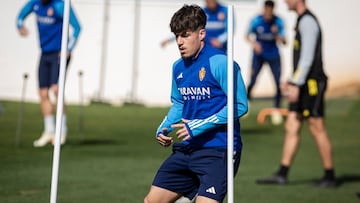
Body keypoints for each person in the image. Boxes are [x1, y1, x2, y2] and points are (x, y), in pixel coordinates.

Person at [144, 4, 248, 203]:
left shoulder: (221, 63)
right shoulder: (178, 67)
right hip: (187, 149)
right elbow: (179, 103)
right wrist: (163, 128)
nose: (179, 42)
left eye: (185, 35)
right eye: (176, 36)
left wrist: (197, 126)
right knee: (151, 201)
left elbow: (240, 105)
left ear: (201, 34)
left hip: (218, 150)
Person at [256, 0, 336, 188]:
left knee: (317, 127)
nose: (285, 1)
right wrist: (292, 80)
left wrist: (296, 84)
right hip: (302, 83)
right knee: (292, 124)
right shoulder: (301, 20)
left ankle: (330, 175)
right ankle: (282, 173)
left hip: (312, 84)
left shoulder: (308, 21)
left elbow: (307, 58)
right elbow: (302, 60)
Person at [16, 0, 81, 147]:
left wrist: (68, 48)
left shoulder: (60, 6)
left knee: (56, 89)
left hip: (59, 53)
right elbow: (20, 16)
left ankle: (61, 131)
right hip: (44, 53)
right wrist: (20, 26)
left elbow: (77, 28)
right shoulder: (35, 4)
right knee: (43, 93)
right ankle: (49, 130)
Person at [245, 0, 286, 124]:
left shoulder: (278, 22)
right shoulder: (256, 20)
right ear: (264, 9)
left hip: (273, 55)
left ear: (273, 10)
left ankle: (276, 110)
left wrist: (277, 34)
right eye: (266, 10)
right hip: (259, 55)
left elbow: (285, 41)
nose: (268, 13)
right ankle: (246, 103)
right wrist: (254, 44)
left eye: (270, 11)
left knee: (278, 83)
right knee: (252, 80)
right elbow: (247, 35)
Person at [160, 0, 229, 53]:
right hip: (205, 50)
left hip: (220, 50)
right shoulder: (202, 12)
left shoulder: (225, 11)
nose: (209, 2)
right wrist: (168, 39)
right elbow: (185, 28)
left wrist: (220, 40)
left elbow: (230, 30)